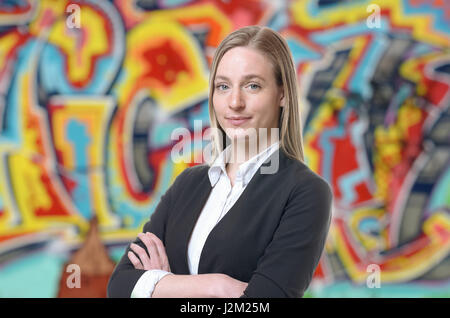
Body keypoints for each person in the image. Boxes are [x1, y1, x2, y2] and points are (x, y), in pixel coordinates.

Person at [107, 25, 333, 298]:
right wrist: (217, 287)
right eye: (223, 86)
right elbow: (120, 286)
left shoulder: (305, 192)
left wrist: (162, 285)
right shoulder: (188, 184)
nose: (235, 102)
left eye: (253, 86)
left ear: (282, 94)